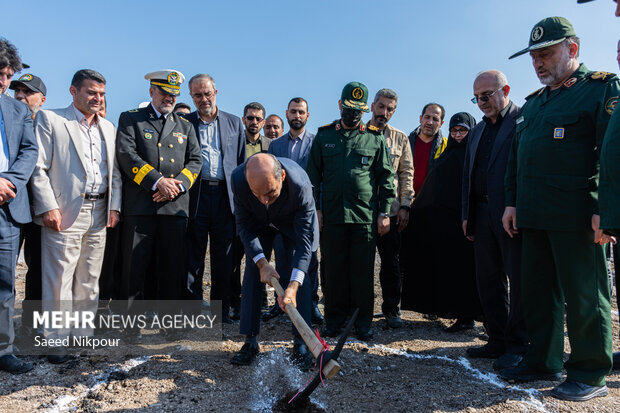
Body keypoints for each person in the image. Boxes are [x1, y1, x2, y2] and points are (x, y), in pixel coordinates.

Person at [500, 17, 620, 402]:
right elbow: (517, 159)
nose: (538, 63)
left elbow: (612, 154)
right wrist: (512, 202)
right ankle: (544, 360)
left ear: (573, 49)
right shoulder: (534, 105)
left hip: (578, 217)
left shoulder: (599, 89)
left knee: (585, 296)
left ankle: (589, 373)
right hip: (533, 216)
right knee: (538, 295)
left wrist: (607, 208)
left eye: (547, 53)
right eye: (534, 56)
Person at [31, 69, 121, 363]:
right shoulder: (52, 119)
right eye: (91, 92)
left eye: (102, 94)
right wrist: (48, 206)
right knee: (59, 280)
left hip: (99, 211)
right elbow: (38, 167)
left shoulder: (108, 127)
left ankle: (82, 337)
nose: (97, 98)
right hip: (65, 211)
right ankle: (55, 342)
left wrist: (114, 207)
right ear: (73, 91)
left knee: (89, 279)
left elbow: (114, 172)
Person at [116, 69, 202, 338]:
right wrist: (157, 181)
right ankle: (130, 326)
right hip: (141, 206)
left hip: (174, 208)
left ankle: (169, 324)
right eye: (164, 93)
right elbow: (126, 155)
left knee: (171, 268)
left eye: (173, 95)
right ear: (151, 91)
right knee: (134, 268)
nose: (169, 99)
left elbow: (196, 161)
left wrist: (175, 188)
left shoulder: (185, 125)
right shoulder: (131, 119)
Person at [306, 81, 394, 341]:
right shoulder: (324, 136)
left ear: (364, 111)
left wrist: (384, 212)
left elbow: (385, 178)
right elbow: (313, 176)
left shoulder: (374, 138)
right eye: (348, 108)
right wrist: (317, 211)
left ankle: (362, 321)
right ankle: (334, 319)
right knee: (333, 270)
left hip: (364, 217)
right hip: (332, 216)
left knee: (362, 272)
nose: (353, 114)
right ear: (340, 105)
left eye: (358, 110)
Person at [462, 70, 528, 370]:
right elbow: (468, 174)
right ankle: (497, 339)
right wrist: (467, 214)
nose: (481, 102)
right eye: (476, 98)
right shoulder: (476, 131)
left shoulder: (523, 120)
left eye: (486, 96)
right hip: (481, 213)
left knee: (518, 279)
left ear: (505, 89)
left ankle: (518, 345)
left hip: (510, 214)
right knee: (488, 280)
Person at [230, 153, 318, 371]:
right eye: (257, 194)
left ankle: (301, 345)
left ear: (283, 177)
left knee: (300, 274)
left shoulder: (300, 185)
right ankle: (250, 341)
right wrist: (262, 263)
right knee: (253, 270)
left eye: (270, 192)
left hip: (291, 224)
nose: (264, 200)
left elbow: (305, 243)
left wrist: (293, 285)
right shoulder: (239, 180)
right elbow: (244, 227)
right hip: (259, 224)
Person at [400, 113, 481, 327]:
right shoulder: (447, 154)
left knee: (468, 272)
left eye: (463, 130)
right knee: (448, 270)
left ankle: (469, 317)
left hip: (465, 223)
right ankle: (454, 313)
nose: (458, 135)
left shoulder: (474, 156)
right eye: (454, 131)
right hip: (445, 225)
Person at [184, 74, 245, 322]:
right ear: (191, 97)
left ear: (215, 92)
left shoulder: (233, 122)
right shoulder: (184, 123)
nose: (203, 99)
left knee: (224, 257)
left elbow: (240, 162)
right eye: (197, 95)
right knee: (193, 256)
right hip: (196, 195)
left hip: (224, 196)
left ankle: (221, 312)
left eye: (207, 93)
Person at [0, 38, 38, 374]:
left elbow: (29, 151)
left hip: (7, 205)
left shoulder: (17, 109)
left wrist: (9, 181)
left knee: (4, 282)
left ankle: (2, 349)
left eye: (8, 74)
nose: (3, 79)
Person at [266, 97, 322, 324]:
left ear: (307, 116)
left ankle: (311, 304)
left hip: (307, 211)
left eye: (301, 112)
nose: (296, 116)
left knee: (310, 259)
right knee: (282, 257)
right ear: (286, 114)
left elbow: (320, 178)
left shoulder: (316, 142)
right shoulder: (275, 145)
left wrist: (319, 209)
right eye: (293, 112)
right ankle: (282, 302)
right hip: (281, 214)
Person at [367, 88, 413, 329]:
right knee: (361, 265)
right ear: (373, 105)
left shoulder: (400, 138)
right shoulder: (358, 133)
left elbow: (406, 174)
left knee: (390, 263)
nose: (384, 112)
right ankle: (360, 310)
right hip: (362, 213)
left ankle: (391, 309)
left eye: (390, 109)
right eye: (381, 106)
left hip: (392, 213)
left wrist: (405, 206)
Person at [9, 73, 46, 340]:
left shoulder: (50, 126)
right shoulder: (4, 123)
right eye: (17, 92)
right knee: (5, 271)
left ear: (41, 100)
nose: (21, 97)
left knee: (38, 272)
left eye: (27, 93)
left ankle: (31, 329)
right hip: (9, 207)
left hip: (40, 210)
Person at [399, 103, 447, 305]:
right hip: (405, 205)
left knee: (430, 257)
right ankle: (398, 303)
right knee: (402, 255)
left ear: (441, 122)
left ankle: (430, 303)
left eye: (435, 119)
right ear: (420, 118)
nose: (430, 122)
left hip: (430, 209)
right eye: (427, 117)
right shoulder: (405, 142)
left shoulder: (445, 145)